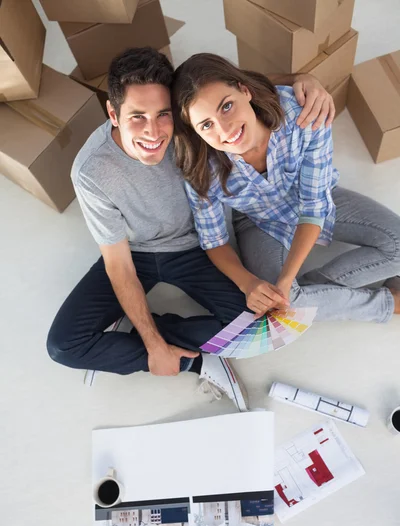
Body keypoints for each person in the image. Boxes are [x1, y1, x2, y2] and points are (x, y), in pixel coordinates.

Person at [46, 47, 336, 411]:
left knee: (259, 326)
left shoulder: (194, 131)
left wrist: (302, 80)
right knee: (63, 346)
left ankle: (138, 328)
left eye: (163, 114)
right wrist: (152, 346)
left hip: (194, 249)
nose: (153, 132)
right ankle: (196, 360)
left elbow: (225, 89)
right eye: (137, 117)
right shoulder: (91, 171)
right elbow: (118, 265)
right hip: (133, 254)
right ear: (112, 114)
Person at [171, 53, 400, 323]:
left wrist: (288, 280)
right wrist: (248, 285)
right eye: (206, 125)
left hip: (314, 197)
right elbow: (214, 241)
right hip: (258, 221)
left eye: (226, 106)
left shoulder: (300, 112)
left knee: (284, 302)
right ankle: (388, 303)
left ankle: (307, 294)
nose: (224, 129)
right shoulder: (199, 167)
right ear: (196, 132)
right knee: (279, 304)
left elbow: (314, 206)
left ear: (244, 90)